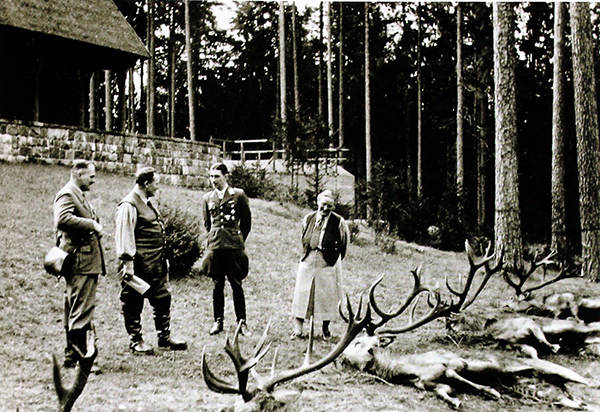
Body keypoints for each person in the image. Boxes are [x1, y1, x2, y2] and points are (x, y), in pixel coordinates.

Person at [115, 167, 187, 354]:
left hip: (156, 264)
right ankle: (136, 340)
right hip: (138, 266)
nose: (158, 186)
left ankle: (164, 337)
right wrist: (127, 263)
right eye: (156, 182)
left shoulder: (146, 203)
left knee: (163, 298)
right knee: (133, 302)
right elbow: (125, 235)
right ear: (146, 184)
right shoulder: (129, 205)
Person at [53, 159, 106, 368]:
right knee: (81, 309)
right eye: (91, 176)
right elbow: (62, 219)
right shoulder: (67, 194)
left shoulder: (77, 195)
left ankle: (71, 355)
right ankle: (82, 358)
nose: (93, 181)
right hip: (81, 261)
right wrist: (92, 224)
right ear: (78, 175)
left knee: (75, 307)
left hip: (84, 260)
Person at [290, 190, 349, 340]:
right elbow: (304, 236)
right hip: (308, 260)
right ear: (318, 203)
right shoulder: (308, 218)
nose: (325, 209)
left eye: (329, 206)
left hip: (327, 263)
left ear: (333, 206)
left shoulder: (339, 222)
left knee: (326, 296)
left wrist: (333, 258)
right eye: (323, 205)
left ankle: (325, 330)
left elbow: (344, 243)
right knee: (302, 294)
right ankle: (298, 329)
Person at [201, 163, 252, 336]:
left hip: (233, 246)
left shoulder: (238, 195)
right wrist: (214, 239)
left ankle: (242, 322)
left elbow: (246, 222)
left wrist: (237, 240)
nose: (213, 180)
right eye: (211, 176)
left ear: (225, 176)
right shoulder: (207, 197)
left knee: (236, 284)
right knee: (217, 285)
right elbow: (208, 224)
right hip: (215, 247)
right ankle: (218, 321)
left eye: (217, 176)